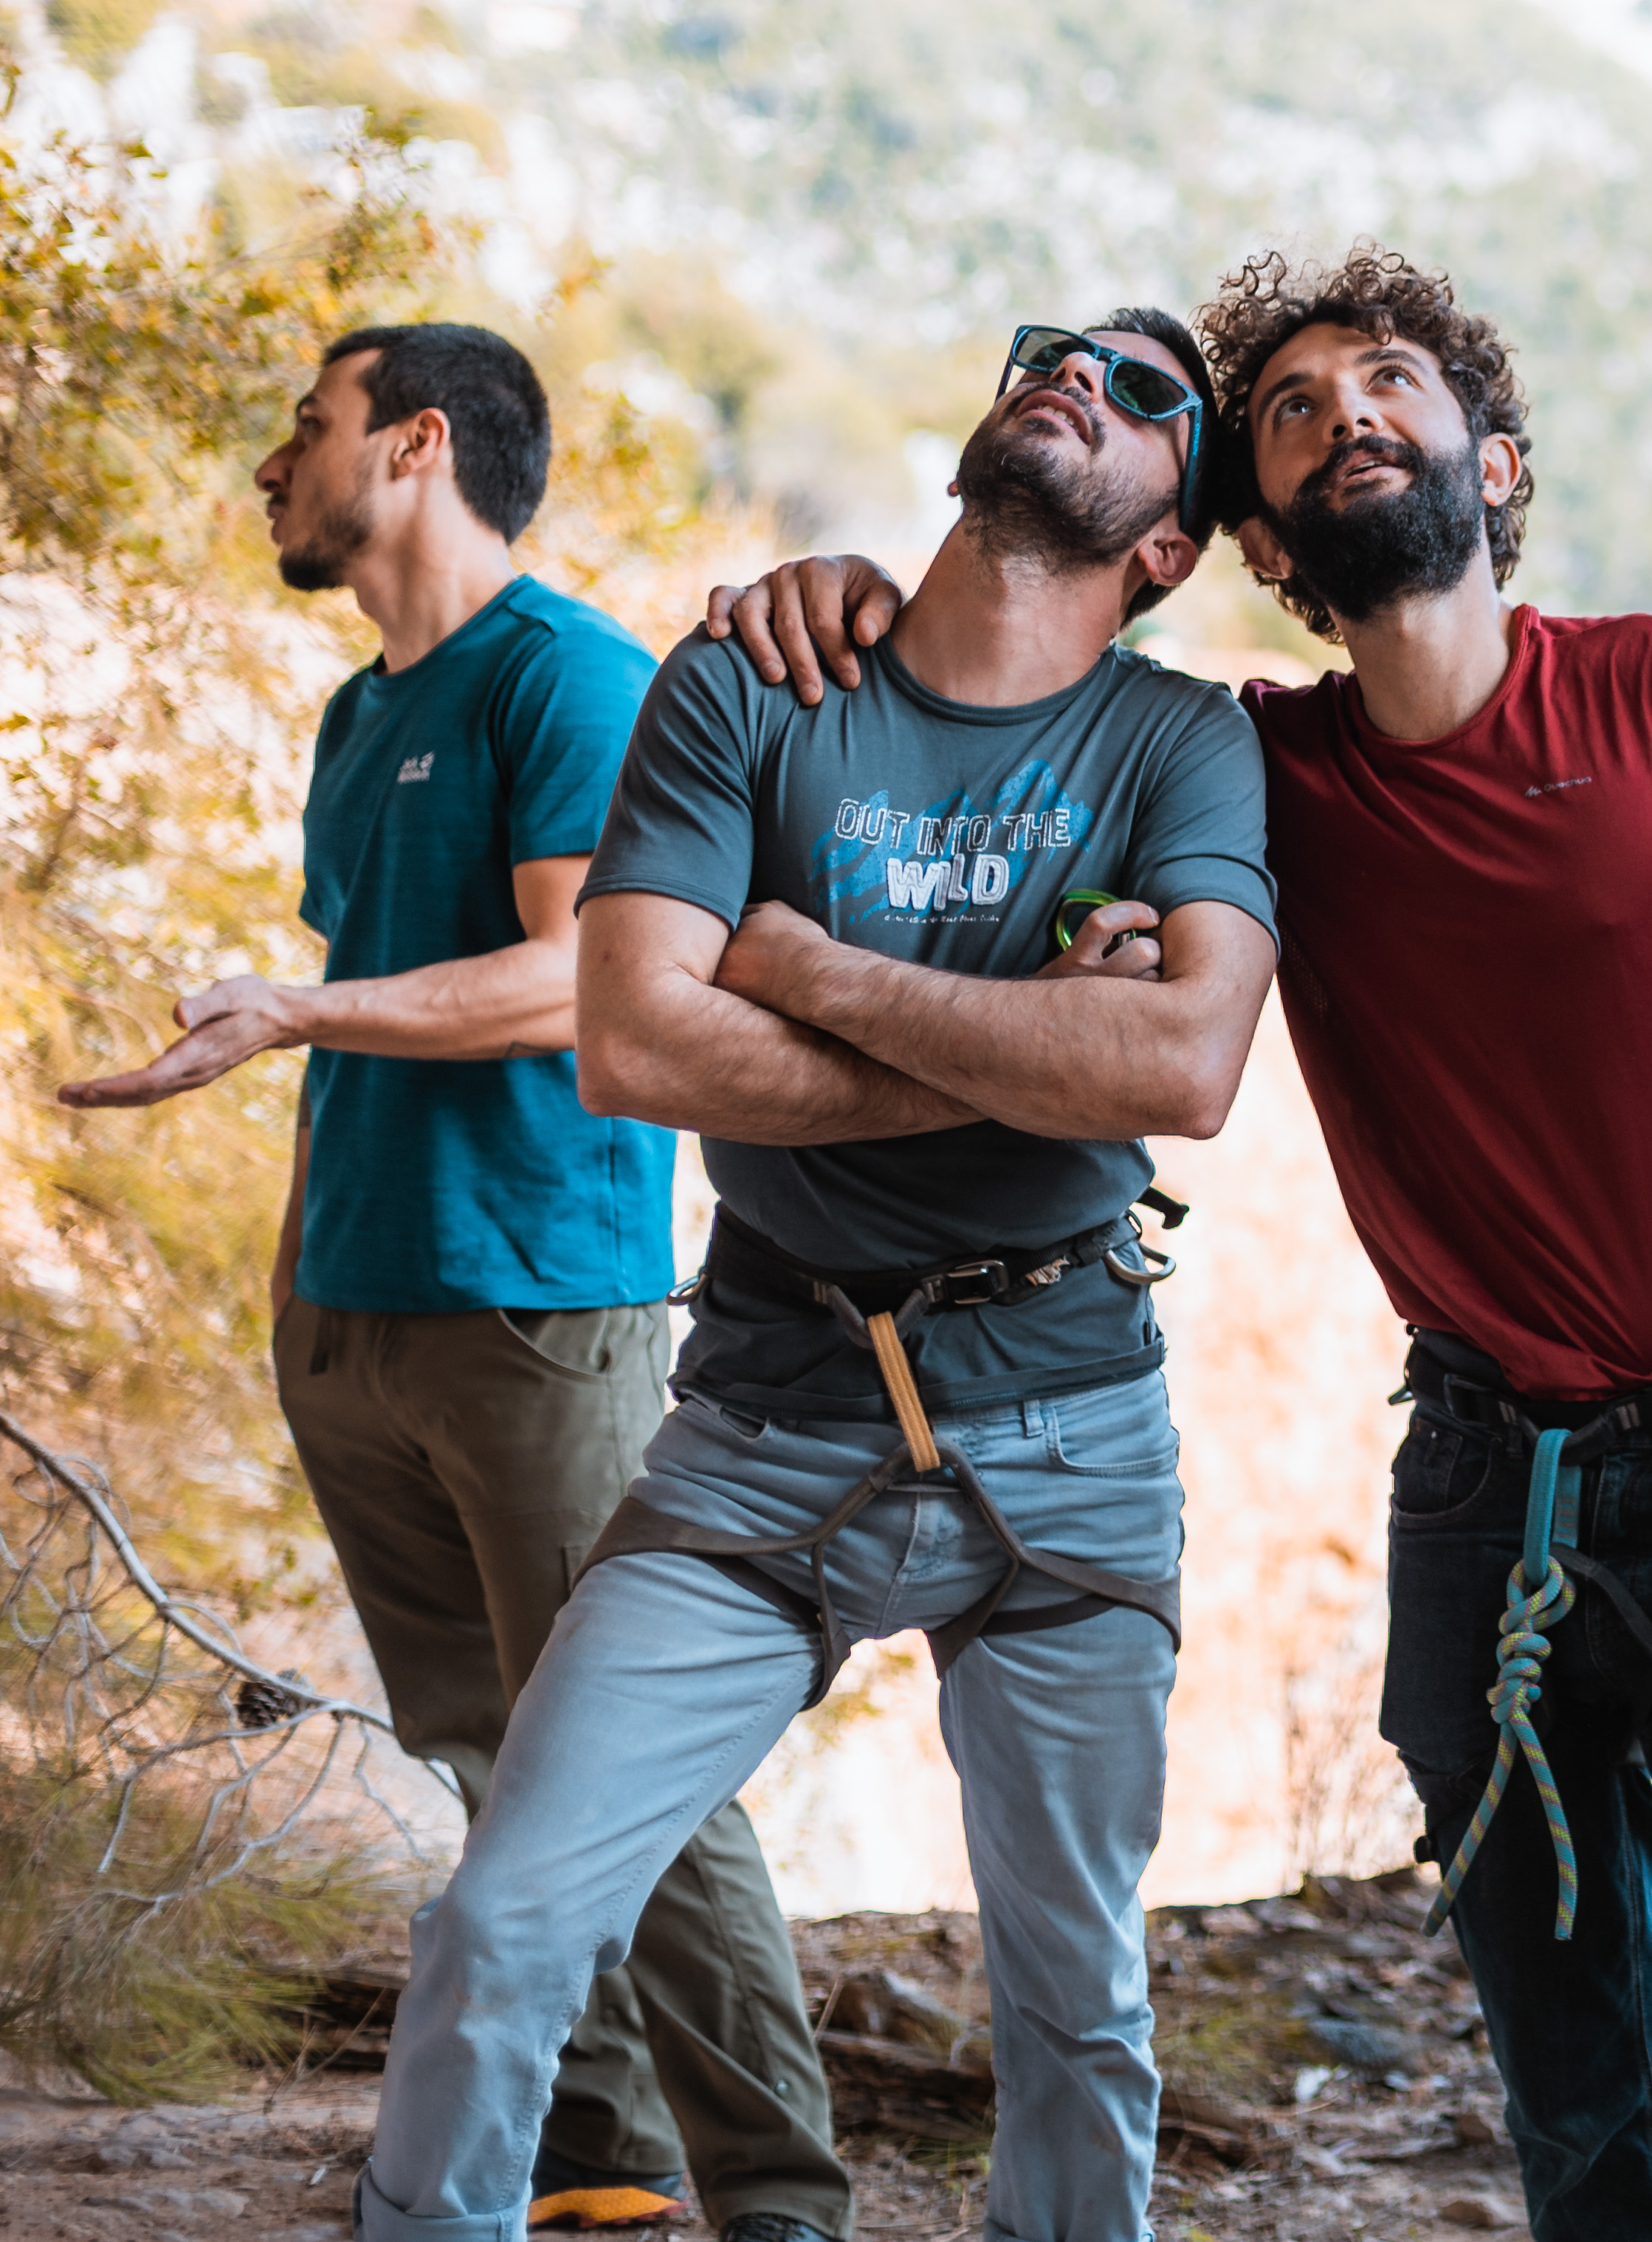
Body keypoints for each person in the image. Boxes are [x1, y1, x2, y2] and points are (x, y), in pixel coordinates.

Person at [704, 243, 1652, 2242]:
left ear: (1492, 466)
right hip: (1479, 1490)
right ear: (1257, 533)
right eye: (1299, 410)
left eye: (1391, 384)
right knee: (1574, 2105)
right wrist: (842, 598)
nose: (1349, 418)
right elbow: (1026, 687)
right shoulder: (1265, 772)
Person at [349, 310, 1278, 2242]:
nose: (1076, 380)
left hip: (1070, 1425)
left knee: (1079, 2002)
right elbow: (636, 1050)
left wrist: (802, 965)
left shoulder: (1180, 738)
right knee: (507, 1922)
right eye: (1053, 352)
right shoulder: (751, 679)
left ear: (1170, 545)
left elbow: (1181, 1069)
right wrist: (1019, 1033)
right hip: (763, 1431)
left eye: (1142, 394)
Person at [58, 323, 850, 2240]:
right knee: (488, 1758)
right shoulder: (358, 715)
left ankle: (785, 2204)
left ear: (415, 445)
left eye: (306, 428)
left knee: (629, 1772)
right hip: (354, 1313)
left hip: (537, 1314)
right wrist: (299, 1268)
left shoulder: (576, 680)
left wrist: (294, 1011)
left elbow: (583, 976)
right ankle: (599, 2174)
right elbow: (372, 1006)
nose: (274, 464)